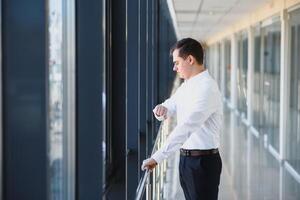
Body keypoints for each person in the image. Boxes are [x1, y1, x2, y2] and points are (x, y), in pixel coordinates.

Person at [141, 38, 223, 200]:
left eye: (177, 62)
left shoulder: (207, 88)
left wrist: (157, 157)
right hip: (187, 159)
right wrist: (161, 110)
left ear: (190, 59)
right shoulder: (187, 85)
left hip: (203, 163)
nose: (174, 67)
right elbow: (171, 104)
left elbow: (186, 127)